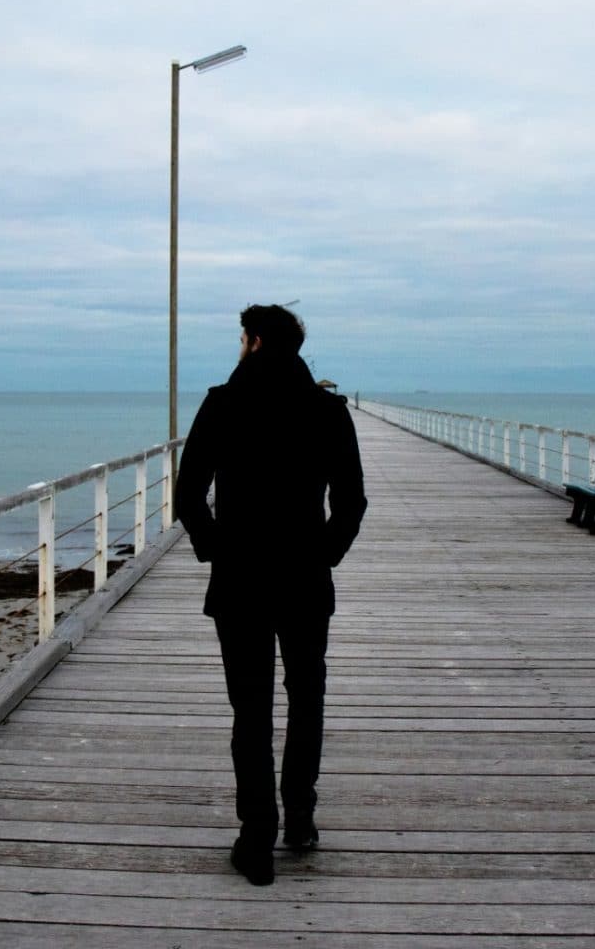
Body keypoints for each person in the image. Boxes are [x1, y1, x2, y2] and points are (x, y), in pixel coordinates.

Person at [175, 304, 367, 886]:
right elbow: (352, 501)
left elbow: (188, 495)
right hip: (306, 579)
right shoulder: (327, 409)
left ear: (255, 342)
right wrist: (324, 553)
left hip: (239, 582)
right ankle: (301, 819)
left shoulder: (222, 402)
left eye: (242, 338)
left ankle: (256, 836)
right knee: (307, 698)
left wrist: (216, 548)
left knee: (251, 708)